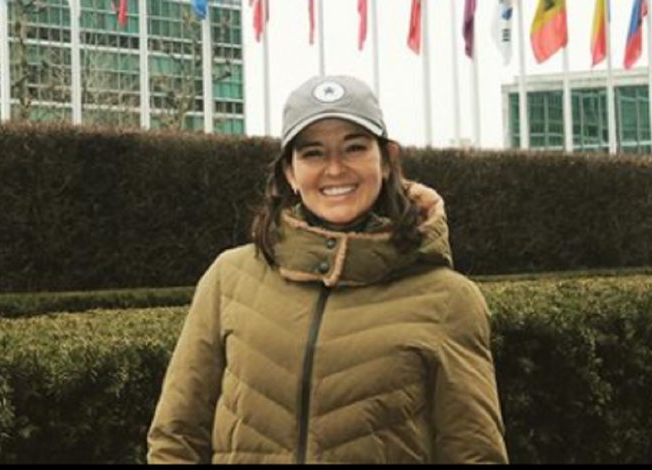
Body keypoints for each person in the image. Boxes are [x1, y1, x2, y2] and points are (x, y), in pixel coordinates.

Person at [147, 75, 508, 464]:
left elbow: (475, 453)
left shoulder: (449, 299)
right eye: (313, 153)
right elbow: (176, 436)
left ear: (387, 160)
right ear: (290, 172)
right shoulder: (228, 278)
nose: (335, 169)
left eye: (354, 148)